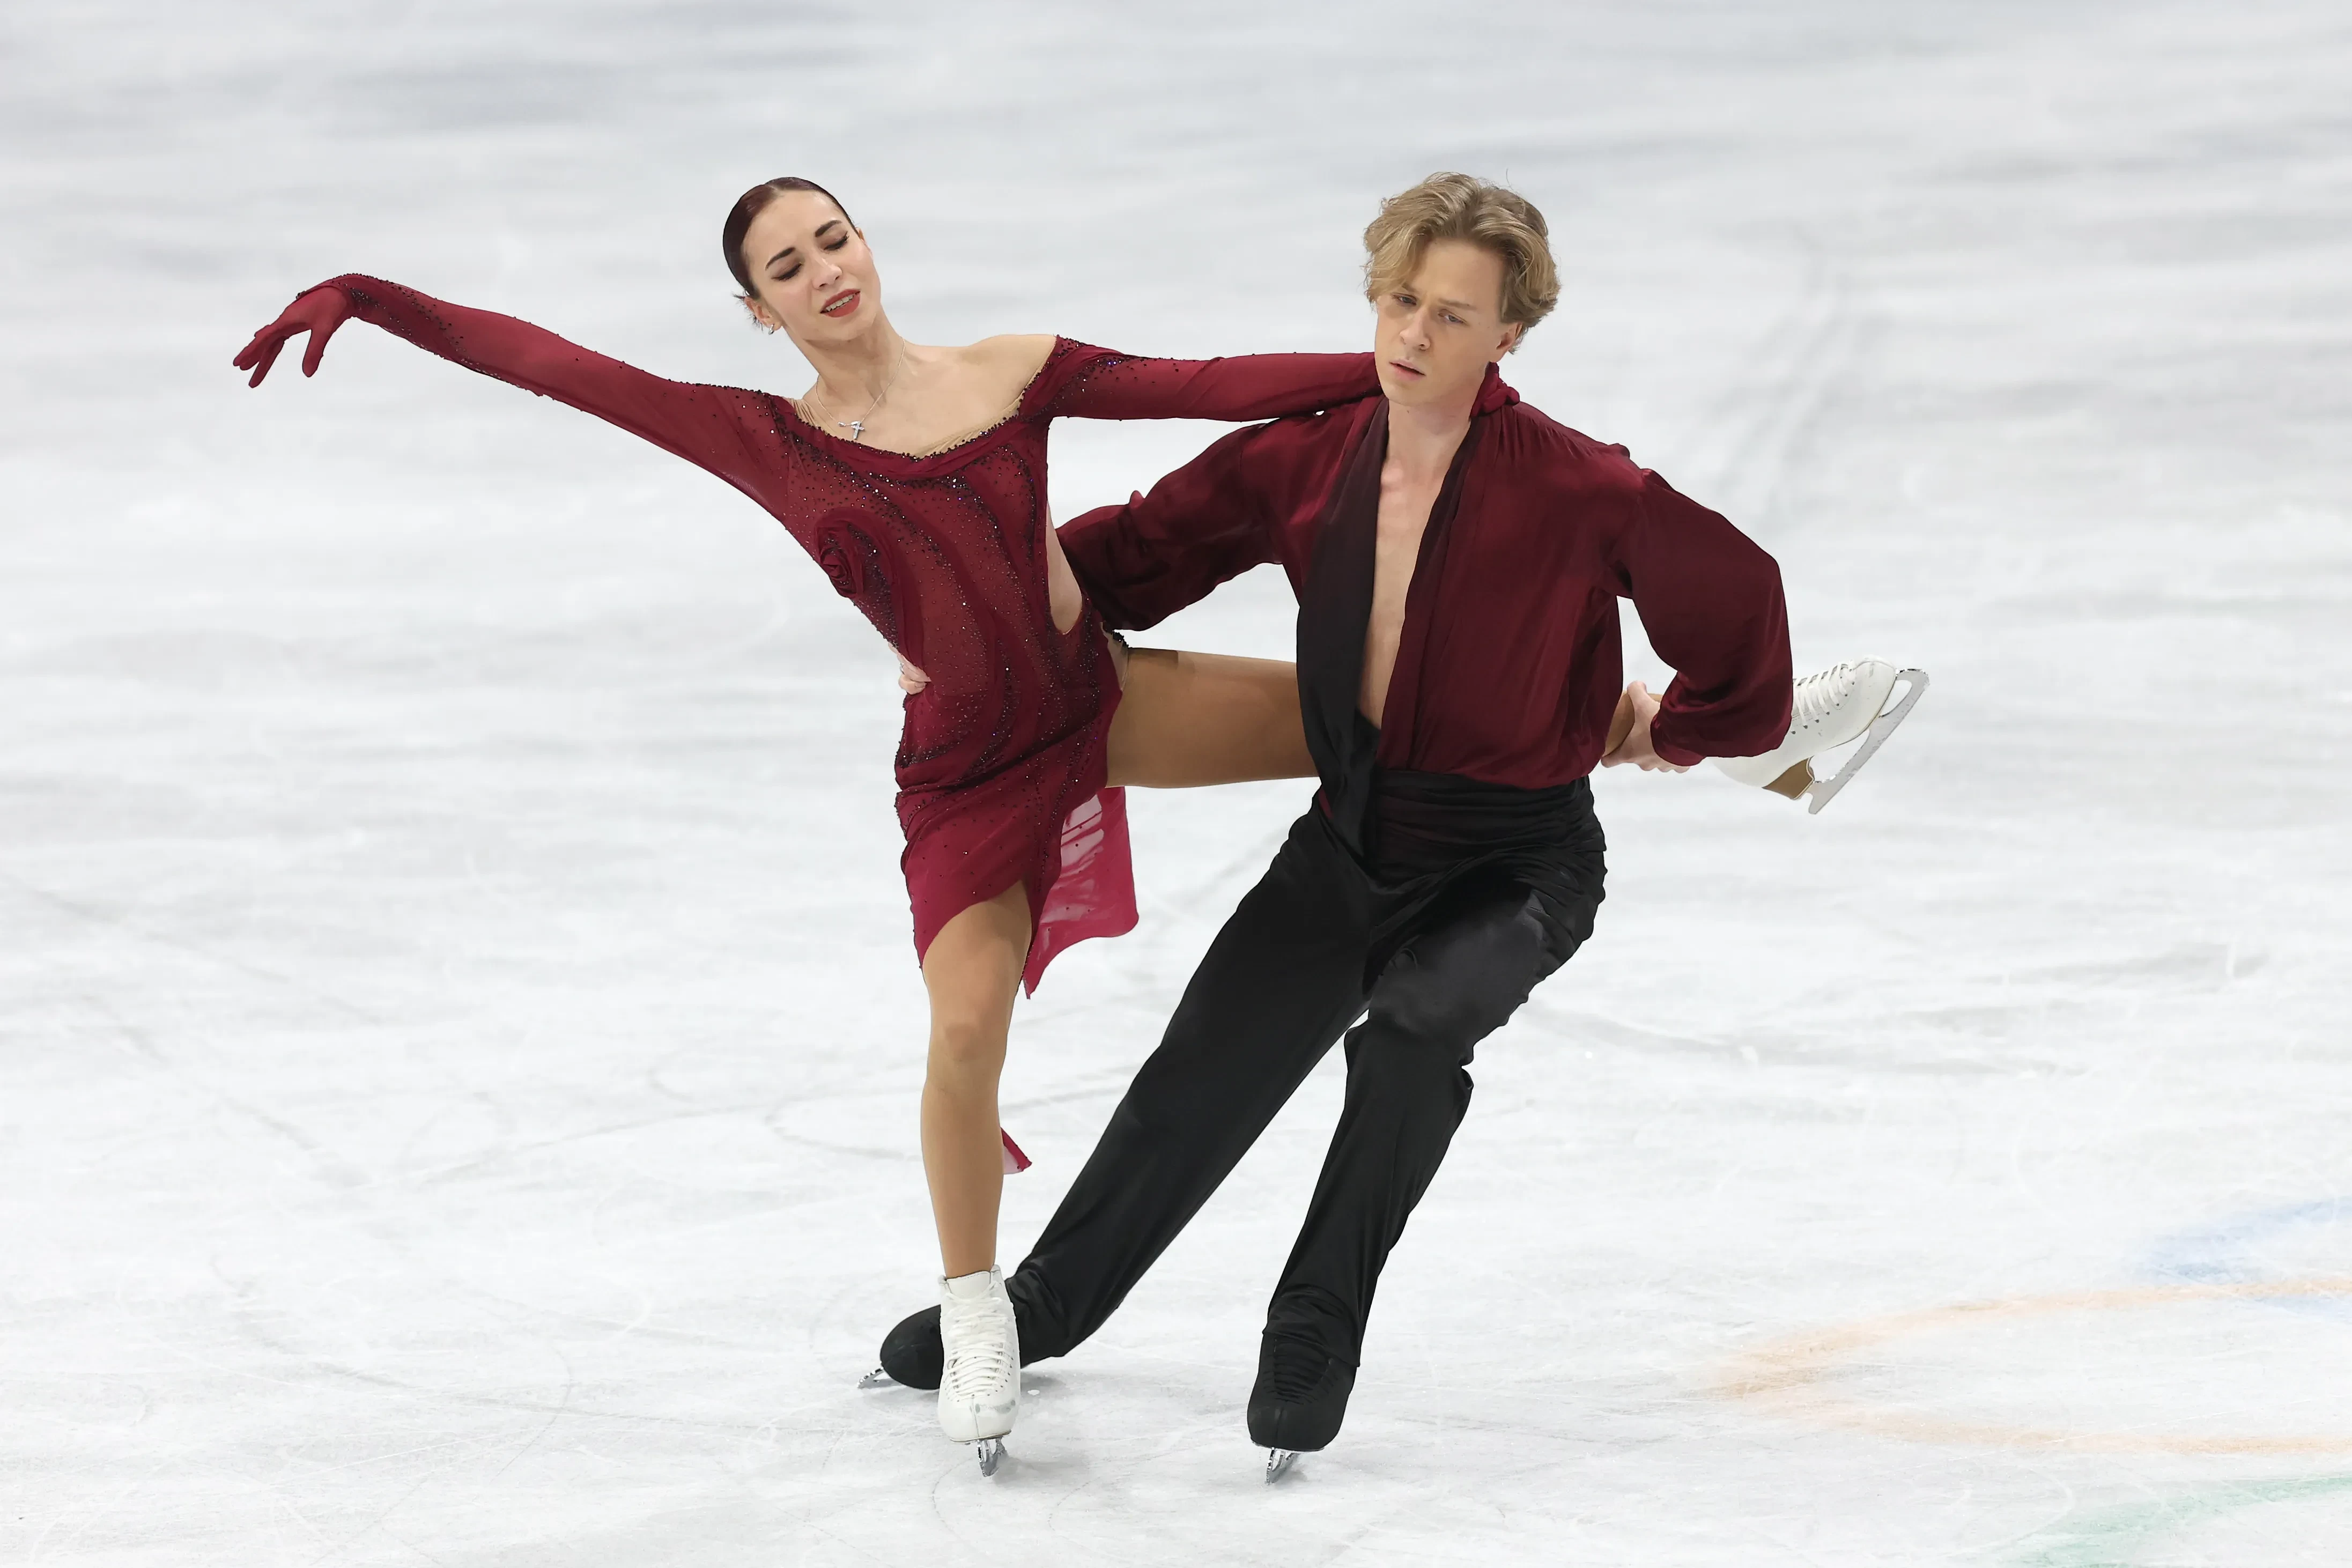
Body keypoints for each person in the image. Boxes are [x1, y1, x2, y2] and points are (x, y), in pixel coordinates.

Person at [231, 176, 1379, 1471]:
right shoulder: (769, 441)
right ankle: (977, 1310)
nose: (825, 271)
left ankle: (1503, 839)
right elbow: (562, 368)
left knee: (1380, 728)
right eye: (787, 268)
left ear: (866, 243)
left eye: (833, 240)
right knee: (964, 1028)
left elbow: (1214, 387)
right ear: (760, 309)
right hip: (967, 777)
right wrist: (372, 298)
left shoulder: (1012, 370)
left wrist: (1406, 366)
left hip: (1101, 704)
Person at [871, 172, 1916, 1476]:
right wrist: (974, 615)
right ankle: (1048, 1304)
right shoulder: (1309, 457)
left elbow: (1739, 597)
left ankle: (1315, 1325)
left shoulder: (1582, 487)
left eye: (1453, 315)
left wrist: (1689, 730)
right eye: (1401, 300)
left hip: (1519, 862)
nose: (1414, 334)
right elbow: (1139, 553)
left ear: (1509, 334)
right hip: (1354, 838)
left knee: (1414, 1035)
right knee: (1199, 1074)